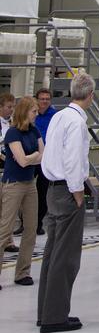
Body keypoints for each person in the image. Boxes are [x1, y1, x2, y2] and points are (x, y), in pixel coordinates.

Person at [38, 72, 96, 333]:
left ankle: (46, 311)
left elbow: (51, 152)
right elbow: (73, 160)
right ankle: (55, 318)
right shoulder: (77, 123)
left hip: (52, 189)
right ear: (90, 95)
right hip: (67, 191)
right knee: (66, 257)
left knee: (52, 253)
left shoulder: (59, 116)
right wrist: (78, 192)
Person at [0, 96, 43, 290]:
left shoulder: (35, 130)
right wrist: (33, 156)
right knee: (5, 229)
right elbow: (23, 160)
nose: (36, 114)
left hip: (30, 184)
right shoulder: (12, 133)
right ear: (25, 111)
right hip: (13, 184)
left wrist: (32, 157)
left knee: (31, 228)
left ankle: (23, 272)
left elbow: (43, 155)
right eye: (33, 111)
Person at [34, 88, 57, 235]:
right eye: (42, 99)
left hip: (46, 158)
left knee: (42, 192)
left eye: (47, 99)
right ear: (37, 100)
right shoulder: (32, 114)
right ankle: (25, 223)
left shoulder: (54, 115)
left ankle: (38, 223)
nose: (44, 101)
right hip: (30, 156)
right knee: (27, 192)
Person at [0, 91, 18, 254]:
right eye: (8, 107)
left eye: (13, 107)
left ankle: (8, 240)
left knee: (8, 207)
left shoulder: (12, 123)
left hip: (9, 169)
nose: (11, 110)